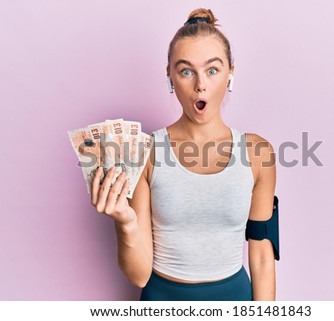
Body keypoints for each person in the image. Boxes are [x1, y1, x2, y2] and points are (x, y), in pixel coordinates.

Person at [91, 8, 277, 301]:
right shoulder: (147, 152)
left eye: (212, 70)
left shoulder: (258, 153)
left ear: (231, 72)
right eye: (186, 71)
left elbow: (263, 255)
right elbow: (139, 275)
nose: (200, 84)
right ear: (170, 76)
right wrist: (124, 222)